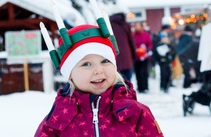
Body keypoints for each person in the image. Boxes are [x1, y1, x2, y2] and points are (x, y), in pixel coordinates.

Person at [34, 23, 163, 137]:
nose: (98, 70)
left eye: (105, 61)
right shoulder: (57, 121)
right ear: (70, 74)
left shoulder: (135, 113)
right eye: (86, 64)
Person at [109, 8, 136, 81]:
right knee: (127, 81)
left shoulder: (109, 25)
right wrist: (134, 55)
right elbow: (131, 41)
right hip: (127, 58)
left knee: (117, 82)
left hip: (115, 58)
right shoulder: (125, 25)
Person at [133, 22, 153, 93]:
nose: (137, 28)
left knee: (144, 72)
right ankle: (140, 87)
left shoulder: (146, 35)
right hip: (136, 57)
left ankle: (145, 87)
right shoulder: (133, 35)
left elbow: (150, 44)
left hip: (144, 56)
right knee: (137, 72)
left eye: (138, 26)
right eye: (136, 26)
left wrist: (147, 50)